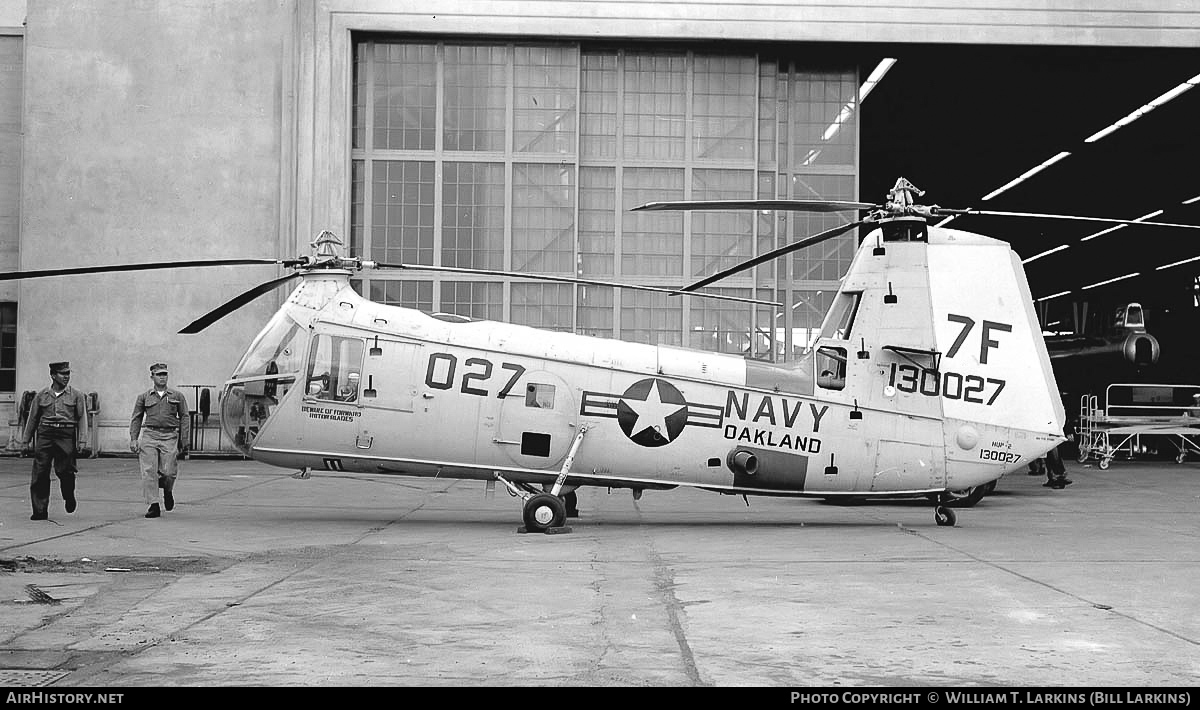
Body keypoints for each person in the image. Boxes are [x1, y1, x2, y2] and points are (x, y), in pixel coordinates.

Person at [21, 361, 89, 520]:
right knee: (40, 472)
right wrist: (25, 441)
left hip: (65, 435)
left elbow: (82, 418)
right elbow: (33, 419)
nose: (66, 377)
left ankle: (68, 494)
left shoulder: (76, 395)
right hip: (45, 435)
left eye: (68, 374)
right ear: (52, 375)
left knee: (65, 471)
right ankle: (40, 510)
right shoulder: (42, 395)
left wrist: (82, 440)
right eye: (62, 374)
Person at [129, 363, 191, 518]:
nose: (162, 377)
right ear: (152, 377)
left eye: (164, 374)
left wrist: (184, 439)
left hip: (169, 436)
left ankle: (167, 490)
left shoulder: (177, 396)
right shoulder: (144, 397)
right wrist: (133, 439)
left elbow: (185, 416)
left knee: (169, 471)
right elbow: (136, 418)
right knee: (149, 471)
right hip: (150, 435)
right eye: (159, 374)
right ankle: (154, 505)